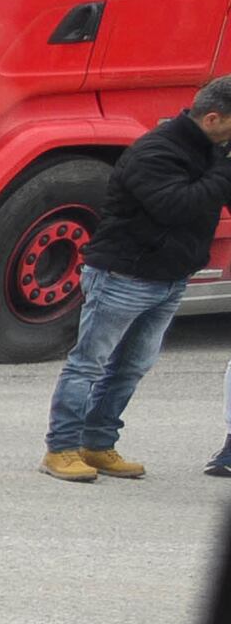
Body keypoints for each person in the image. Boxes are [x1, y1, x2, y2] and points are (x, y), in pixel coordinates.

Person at [44, 73, 231, 485]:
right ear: (214, 118)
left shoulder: (210, 152)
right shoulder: (156, 151)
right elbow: (175, 206)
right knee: (88, 364)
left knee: (131, 367)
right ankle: (61, 448)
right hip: (123, 274)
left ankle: (98, 442)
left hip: (170, 277)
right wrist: (224, 168)